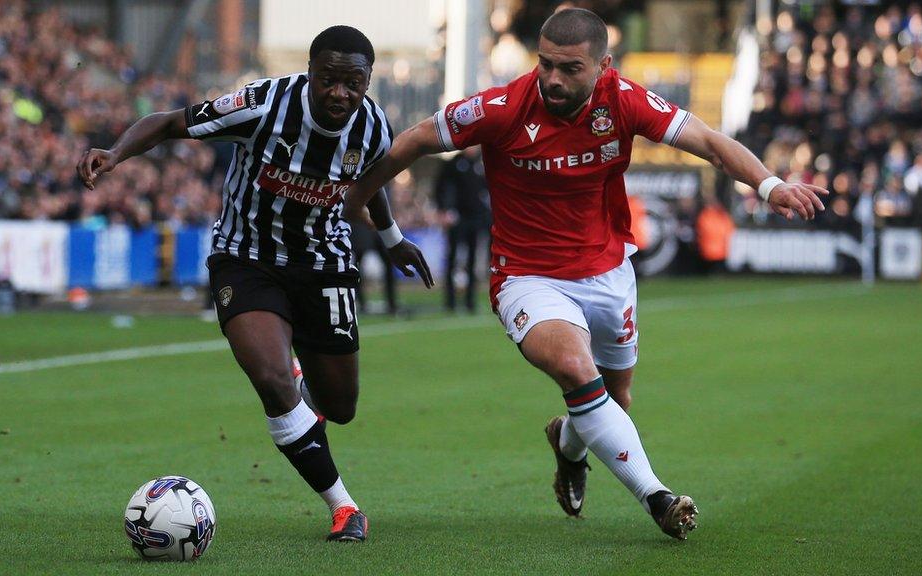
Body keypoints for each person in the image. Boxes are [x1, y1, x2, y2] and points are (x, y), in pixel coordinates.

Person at [344, 8, 826, 540]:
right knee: (577, 370)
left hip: (606, 271)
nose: (552, 78)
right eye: (545, 64)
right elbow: (412, 140)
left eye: (570, 68)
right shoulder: (501, 108)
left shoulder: (624, 100)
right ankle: (659, 498)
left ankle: (568, 446)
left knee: (613, 402)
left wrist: (769, 185)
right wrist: (364, 206)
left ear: (603, 66)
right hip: (527, 277)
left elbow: (710, 142)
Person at [77, 26, 432, 542]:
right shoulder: (262, 105)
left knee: (340, 407)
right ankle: (344, 507)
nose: (340, 93)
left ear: (367, 80)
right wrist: (114, 153)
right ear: (310, 72)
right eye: (328, 79)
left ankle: (302, 388)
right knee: (271, 380)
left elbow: (370, 182)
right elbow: (168, 123)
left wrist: (393, 237)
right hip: (246, 258)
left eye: (352, 83)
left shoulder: (374, 125)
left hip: (323, 263)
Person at [434, 146, 491, 312]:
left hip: (476, 218)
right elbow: (441, 187)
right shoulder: (453, 163)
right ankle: (450, 301)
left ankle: (470, 301)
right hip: (457, 218)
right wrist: (444, 210)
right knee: (452, 258)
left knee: (472, 259)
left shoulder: (481, 163)